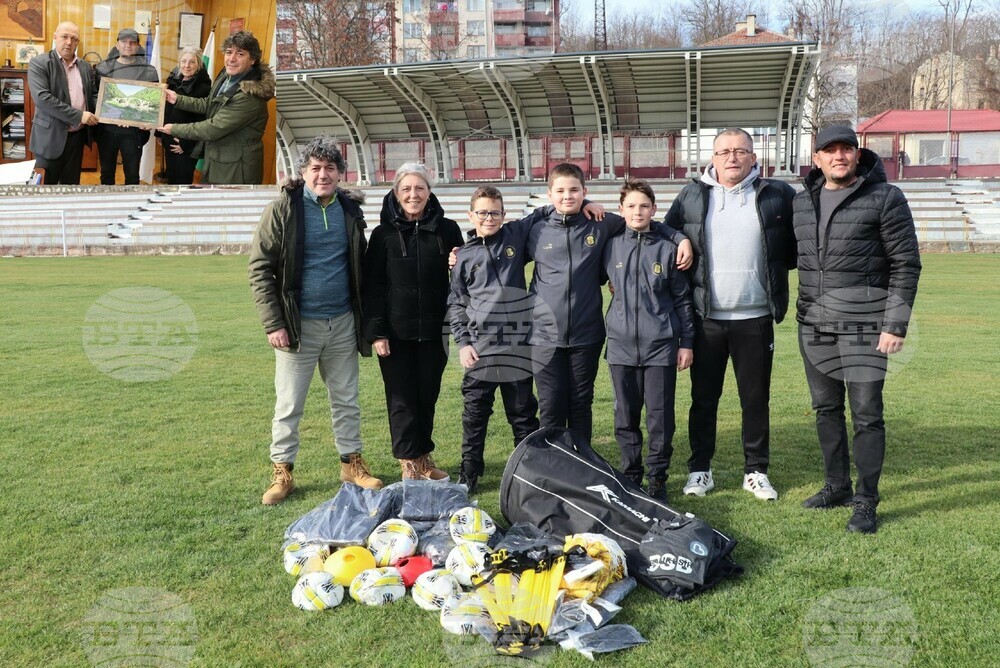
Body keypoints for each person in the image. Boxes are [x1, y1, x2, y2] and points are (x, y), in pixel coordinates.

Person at [794, 125, 921, 534]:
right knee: (825, 409)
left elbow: (906, 264)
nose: (838, 157)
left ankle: (866, 499)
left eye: (845, 149)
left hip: (866, 327)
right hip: (814, 325)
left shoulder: (885, 197)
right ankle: (836, 485)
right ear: (817, 159)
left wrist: (894, 324)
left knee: (866, 415)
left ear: (857, 154)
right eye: (829, 151)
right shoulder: (802, 202)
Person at [662, 128, 796, 501]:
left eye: (741, 151)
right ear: (713, 157)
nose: (732, 158)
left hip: (755, 318)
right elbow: (662, 234)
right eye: (724, 151)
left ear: (754, 157)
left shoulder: (777, 195)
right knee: (704, 398)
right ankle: (700, 470)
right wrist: (680, 239)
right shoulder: (690, 195)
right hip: (706, 318)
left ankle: (755, 471)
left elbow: (803, 235)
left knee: (755, 399)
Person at [248, 134, 383, 506]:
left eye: (330, 168)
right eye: (316, 168)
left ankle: (351, 464)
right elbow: (260, 268)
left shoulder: (350, 211)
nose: (323, 174)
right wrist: (274, 322)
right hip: (297, 326)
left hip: (341, 323)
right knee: (289, 404)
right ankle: (283, 472)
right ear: (304, 172)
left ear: (341, 173)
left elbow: (362, 267)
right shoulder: (283, 209)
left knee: (347, 400)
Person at [526, 163, 692, 448]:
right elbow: (500, 240)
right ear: (549, 194)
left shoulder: (602, 223)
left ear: (584, 191)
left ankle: (583, 464)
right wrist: (459, 253)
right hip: (544, 335)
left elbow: (645, 223)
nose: (568, 196)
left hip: (586, 334)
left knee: (581, 402)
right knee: (551, 405)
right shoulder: (534, 228)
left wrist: (681, 237)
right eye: (561, 191)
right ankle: (550, 468)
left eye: (575, 191)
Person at [363, 163, 465, 481]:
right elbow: (372, 286)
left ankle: (423, 455)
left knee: (427, 396)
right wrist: (377, 332)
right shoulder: (382, 235)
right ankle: (408, 459)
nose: (413, 194)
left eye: (419, 188)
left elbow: (462, 277)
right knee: (402, 398)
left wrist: (458, 261)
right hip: (395, 334)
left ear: (429, 192)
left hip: (435, 332)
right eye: (406, 189)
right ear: (396, 193)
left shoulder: (448, 229)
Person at [603, 180, 695, 501]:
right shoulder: (611, 245)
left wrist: (686, 342)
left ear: (654, 209)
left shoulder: (669, 249)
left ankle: (657, 478)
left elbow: (683, 300)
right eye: (631, 206)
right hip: (620, 346)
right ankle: (630, 476)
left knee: (660, 417)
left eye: (644, 206)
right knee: (625, 416)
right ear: (621, 210)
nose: (638, 211)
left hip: (661, 347)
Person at [448, 185, 540, 493]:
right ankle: (470, 471)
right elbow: (457, 303)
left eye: (495, 212)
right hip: (481, 350)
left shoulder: (515, 235)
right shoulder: (464, 256)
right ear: (471, 215)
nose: (489, 217)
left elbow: (545, 210)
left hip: (516, 347)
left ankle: (528, 471)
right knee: (475, 414)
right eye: (483, 212)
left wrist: (589, 202)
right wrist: (463, 344)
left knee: (524, 415)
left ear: (504, 214)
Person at [159, 31, 274, 184]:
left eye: (240, 54)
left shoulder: (250, 94)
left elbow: (213, 128)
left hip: (236, 168)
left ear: (252, 59)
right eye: (228, 52)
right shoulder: (227, 77)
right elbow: (209, 104)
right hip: (216, 158)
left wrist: (174, 129)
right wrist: (178, 99)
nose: (232, 59)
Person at [25, 21, 99, 185]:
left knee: (70, 186)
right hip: (50, 138)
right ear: (55, 37)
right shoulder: (39, 63)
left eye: (74, 38)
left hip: (77, 139)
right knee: (45, 188)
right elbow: (43, 99)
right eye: (64, 37)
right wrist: (80, 115)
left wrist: (113, 112)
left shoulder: (85, 67)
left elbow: (93, 96)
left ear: (77, 42)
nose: (69, 42)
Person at [94, 28, 159, 185]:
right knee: (107, 173)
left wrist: (147, 122)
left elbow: (153, 104)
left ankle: (131, 206)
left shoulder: (149, 71)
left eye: (132, 42)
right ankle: (108, 207)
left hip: (133, 133)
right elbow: (94, 96)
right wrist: (112, 113)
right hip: (107, 131)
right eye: (123, 41)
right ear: (117, 44)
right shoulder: (103, 68)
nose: (128, 45)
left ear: (137, 46)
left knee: (132, 175)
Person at [159, 48, 211, 184]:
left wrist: (185, 145)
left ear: (199, 64)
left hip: (186, 144)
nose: (187, 65)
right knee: (171, 179)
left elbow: (203, 121)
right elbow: (165, 110)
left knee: (182, 181)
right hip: (169, 139)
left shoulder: (204, 89)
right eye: (184, 61)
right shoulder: (173, 82)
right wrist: (160, 134)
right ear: (179, 63)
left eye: (192, 62)